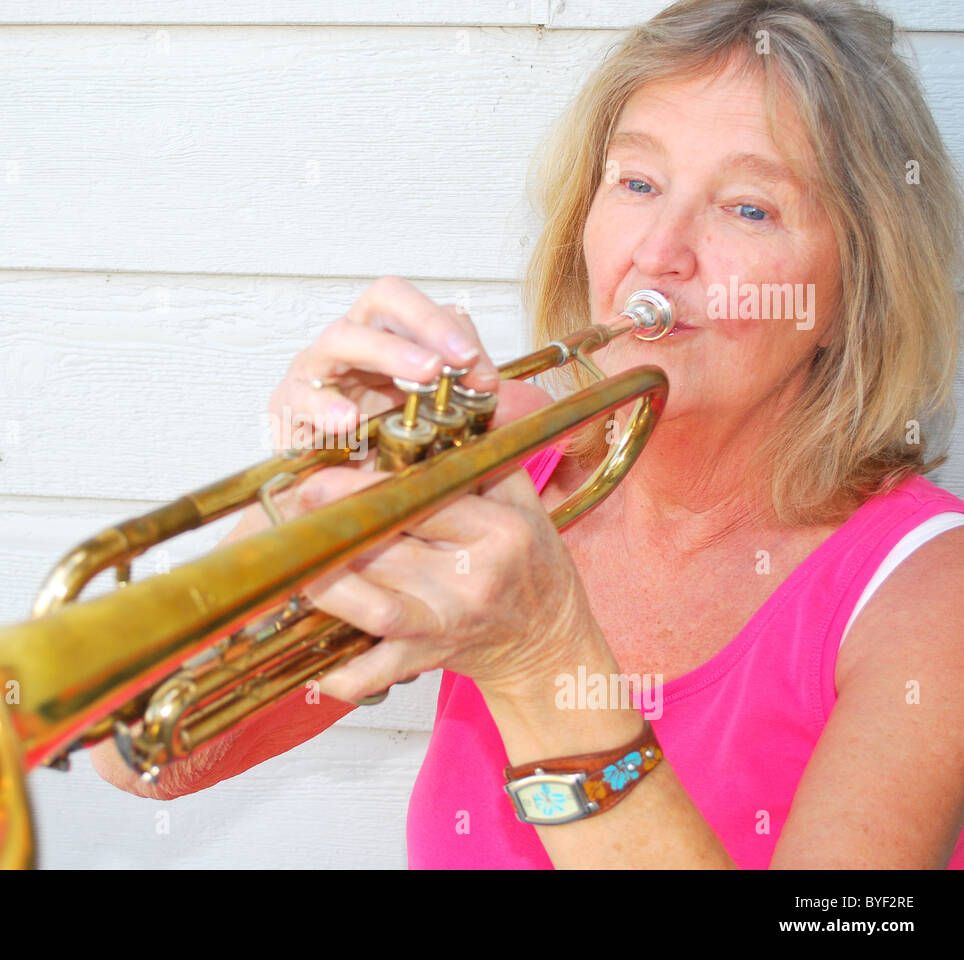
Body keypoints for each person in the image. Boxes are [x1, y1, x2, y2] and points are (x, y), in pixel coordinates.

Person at [96, 0, 964, 868]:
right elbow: (138, 749)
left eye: (747, 209)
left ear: (856, 288)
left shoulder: (932, 592)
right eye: (636, 183)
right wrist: (303, 503)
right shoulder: (500, 481)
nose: (660, 251)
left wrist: (543, 659)